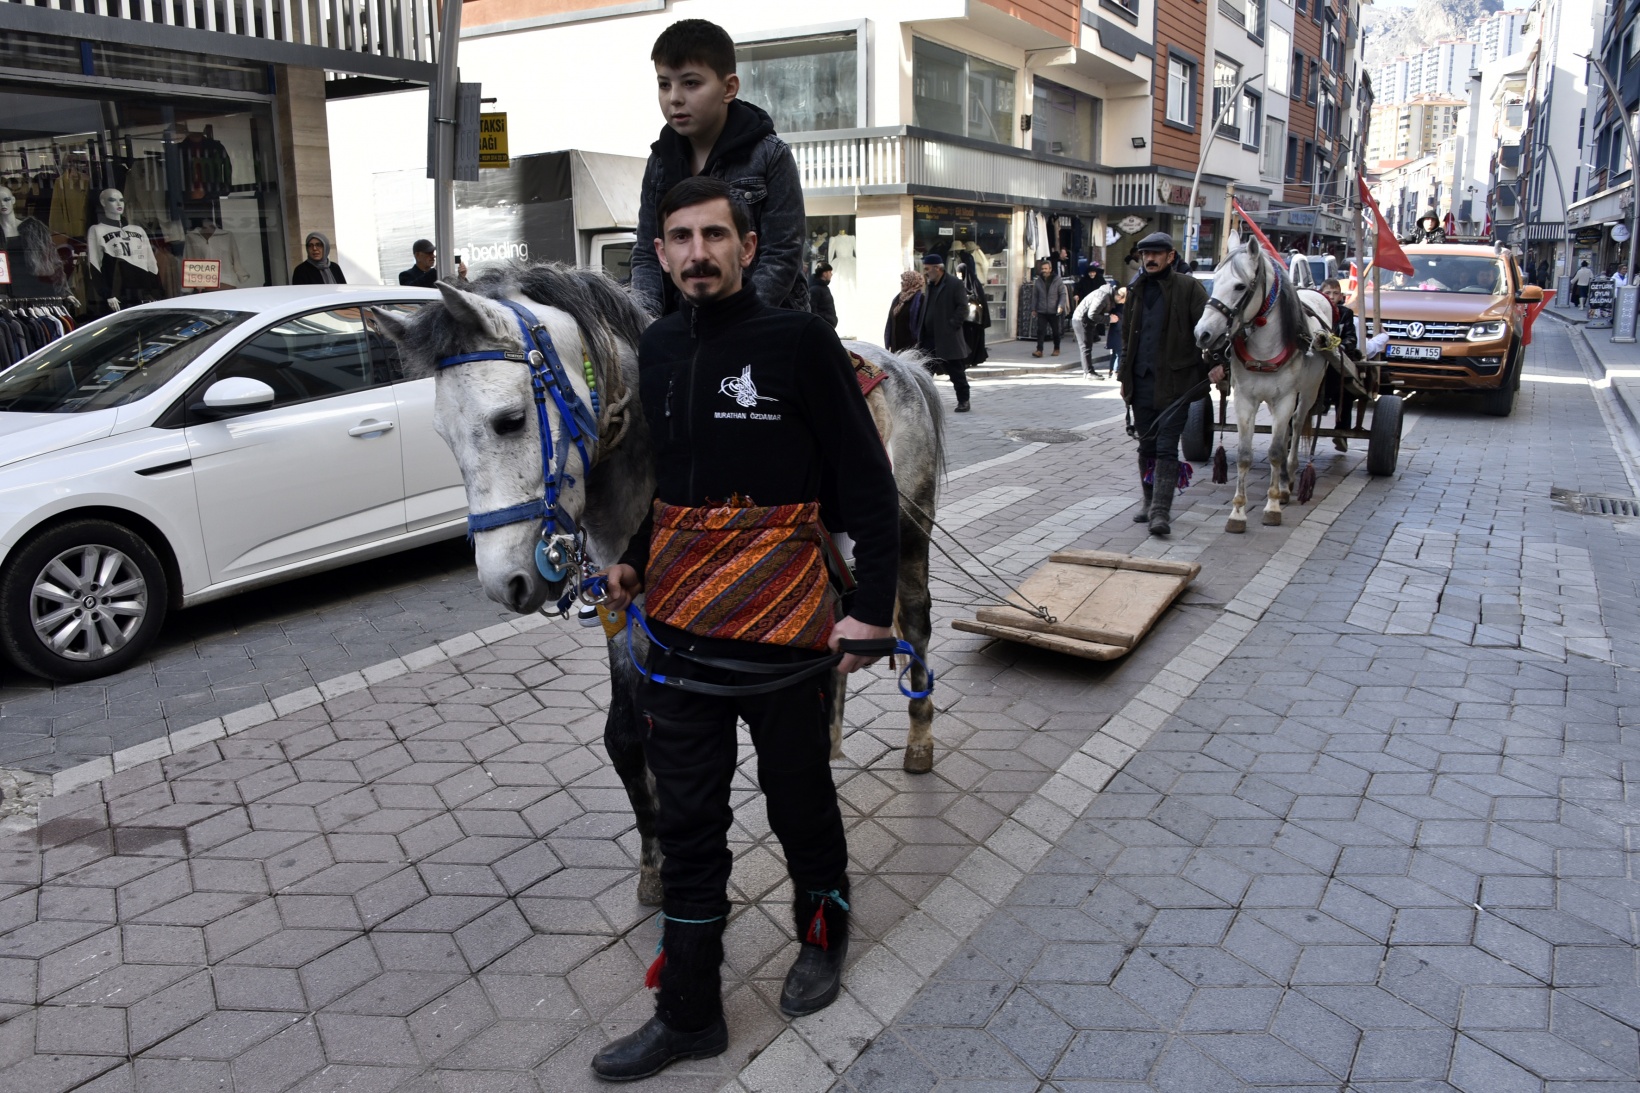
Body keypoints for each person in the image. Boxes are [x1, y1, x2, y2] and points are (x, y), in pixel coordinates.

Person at [593, 176, 898, 1082]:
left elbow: (866, 482)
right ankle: (689, 1012)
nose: (699, 253)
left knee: (799, 801)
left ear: (748, 247)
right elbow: (671, 481)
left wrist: (872, 608)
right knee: (688, 824)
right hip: (680, 629)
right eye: (681, 238)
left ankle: (823, 934)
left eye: (715, 235)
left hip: (785, 627)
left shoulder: (799, 342)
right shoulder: (656, 349)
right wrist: (636, 556)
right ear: (660, 253)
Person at [630, 19, 806, 318]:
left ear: (729, 88)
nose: (674, 98)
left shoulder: (770, 155)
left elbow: (782, 254)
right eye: (664, 84)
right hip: (681, 323)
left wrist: (734, 322)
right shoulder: (658, 162)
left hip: (765, 320)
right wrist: (647, 324)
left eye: (691, 83)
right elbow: (647, 254)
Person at [1120, 232, 1217, 538]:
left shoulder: (1188, 287)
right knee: (1146, 444)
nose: (1150, 259)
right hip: (1141, 381)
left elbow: (1209, 330)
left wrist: (1216, 362)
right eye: (1145, 254)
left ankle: (1161, 511)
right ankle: (1148, 502)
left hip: (1177, 382)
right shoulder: (1135, 289)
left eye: (1156, 254)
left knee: (1166, 446)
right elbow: (1126, 337)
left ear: (1170, 257)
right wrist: (1124, 375)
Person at [919, 252, 971, 411]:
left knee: (956, 372)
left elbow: (963, 307)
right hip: (929, 338)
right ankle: (923, 403)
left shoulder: (954, 284)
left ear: (937, 268)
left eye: (927, 268)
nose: (926, 272)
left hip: (948, 337)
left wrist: (952, 326)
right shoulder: (931, 285)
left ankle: (964, 400)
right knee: (925, 373)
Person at [1318, 278, 1360, 452]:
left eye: (1335, 293)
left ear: (1341, 296)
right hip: (1315, 356)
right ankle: (1290, 431)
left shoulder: (1345, 313)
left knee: (1346, 390)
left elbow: (1351, 338)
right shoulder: (1312, 311)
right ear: (1320, 294)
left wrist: (1339, 347)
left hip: (1337, 359)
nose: (1331, 296)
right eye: (1327, 293)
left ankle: (1341, 433)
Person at [1070, 278, 1116, 379]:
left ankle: (1088, 371)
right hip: (1081, 320)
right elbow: (1092, 314)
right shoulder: (1103, 296)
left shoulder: (1105, 294)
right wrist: (1108, 319)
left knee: (1087, 347)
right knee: (1085, 347)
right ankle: (1088, 372)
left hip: (1082, 320)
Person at [956, 250, 990, 374]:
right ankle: (969, 359)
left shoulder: (974, 282)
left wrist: (967, 297)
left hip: (973, 319)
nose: (958, 275)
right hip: (966, 319)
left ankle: (972, 359)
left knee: (972, 339)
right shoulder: (960, 283)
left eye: (960, 273)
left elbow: (978, 297)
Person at [1030, 257, 1069, 357]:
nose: (1044, 270)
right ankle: (1039, 350)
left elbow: (1062, 294)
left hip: (1054, 310)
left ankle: (1056, 348)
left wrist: (1061, 306)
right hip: (1042, 310)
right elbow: (1035, 295)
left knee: (1056, 331)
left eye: (1046, 269)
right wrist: (1033, 308)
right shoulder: (1038, 281)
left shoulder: (1057, 280)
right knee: (1040, 331)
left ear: (1050, 269)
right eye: (1042, 269)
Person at [883, 269, 925, 352]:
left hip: (911, 348)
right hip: (896, 347)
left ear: (913, 282)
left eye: (905, 280)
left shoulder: (920, 300)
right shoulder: (897, 299)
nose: (901, 283)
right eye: (902, 280)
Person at [809, 261, 838, 328]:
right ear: (824, 274)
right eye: (830, 272)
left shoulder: (824, 288)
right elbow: (813, 310)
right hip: (822, 327)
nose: (831, 274)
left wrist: (833, 319)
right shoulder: (815, 290)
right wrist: (823, 322)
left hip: (827, 325)